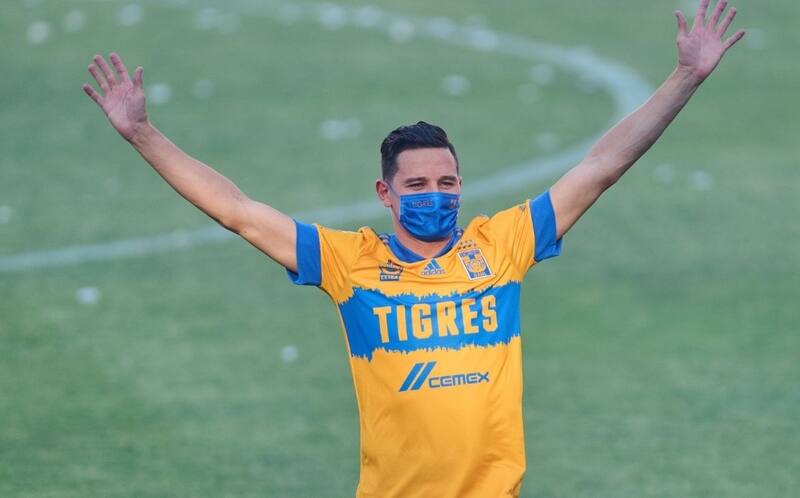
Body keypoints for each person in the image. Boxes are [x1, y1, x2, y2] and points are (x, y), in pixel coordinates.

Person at [82, 1, 745, 496]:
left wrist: (686, 77)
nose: (436, 195)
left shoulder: (503, 244)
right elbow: (238, 212)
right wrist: (143, 135)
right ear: (386, 193)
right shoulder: (348, 262)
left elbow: (602, 166)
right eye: (418, 185)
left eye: (447, 182)